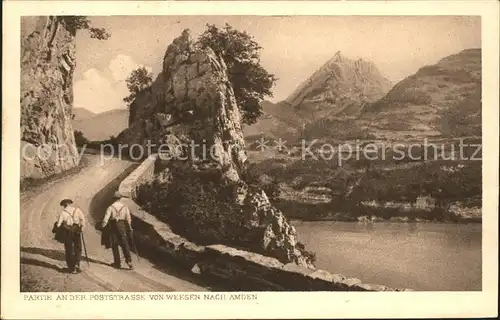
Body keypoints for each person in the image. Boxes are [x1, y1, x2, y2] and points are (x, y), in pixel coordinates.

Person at [101, 191, 134, 270]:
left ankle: (117, 263)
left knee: (114, 245)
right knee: (124, 244)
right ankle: (129, 262)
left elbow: (105, 219)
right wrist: (130, 227)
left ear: (113, 199)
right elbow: (128, 218)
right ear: (120, 198)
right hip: (122, 226)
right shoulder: (125, 207)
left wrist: (103, 226)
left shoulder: (110, 207)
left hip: (113, 227)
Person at [56, 199, 86, 274]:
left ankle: (71, 267)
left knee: (69, 249)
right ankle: (77, 264)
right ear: (70, 204)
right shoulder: (77, 210)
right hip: (76, 231)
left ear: (64, 205)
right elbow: (83, 220)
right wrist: (81, 228)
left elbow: (58, 224)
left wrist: (58, 227)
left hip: (67, 231)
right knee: (78, 248)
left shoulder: (63, 213)